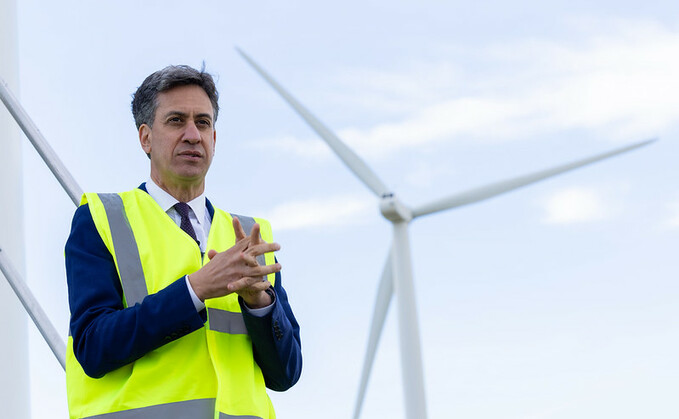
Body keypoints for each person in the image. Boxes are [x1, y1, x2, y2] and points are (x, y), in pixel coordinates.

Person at [64, 65, 302, 419]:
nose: (193, 134)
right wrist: (194, 290)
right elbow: (94, 347)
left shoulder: (252, 235)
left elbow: (286, 375)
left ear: (215, 139)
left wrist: (259, 303)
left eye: (203, 123)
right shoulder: (101, 218)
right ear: (145, 138)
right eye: (176, 120)